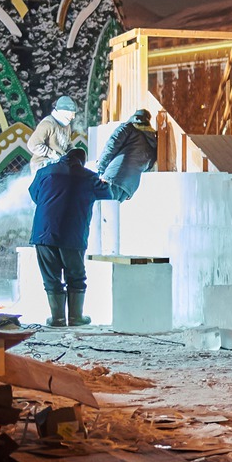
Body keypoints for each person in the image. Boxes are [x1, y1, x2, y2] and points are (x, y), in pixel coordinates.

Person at [29, 146, 112, 327]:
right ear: (81, 161)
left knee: (51, 276)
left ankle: (57, 319)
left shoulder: (44, 172)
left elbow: (34, 195)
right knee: (75, 275)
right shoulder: (89, 177)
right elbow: (108, 193)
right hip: (72, 233)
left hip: (44, 233)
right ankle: (75, 317)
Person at [96, 108, 158, 201]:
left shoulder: (128, 127)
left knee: (100, 209)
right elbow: (149, 166)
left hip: (114, 177)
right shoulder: (152, 140)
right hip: (129, 187)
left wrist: (100, 166)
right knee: (111, 212)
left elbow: (111, 146)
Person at [28, 95, 79, 173]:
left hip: (59, 164)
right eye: (72, 113)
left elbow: (67, 144)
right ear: (64, 112)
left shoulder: (67, 126)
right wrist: (51, 154)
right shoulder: (47, 124)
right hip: (42, 165)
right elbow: (32, 145)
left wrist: (74, 153)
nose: (73, 117)